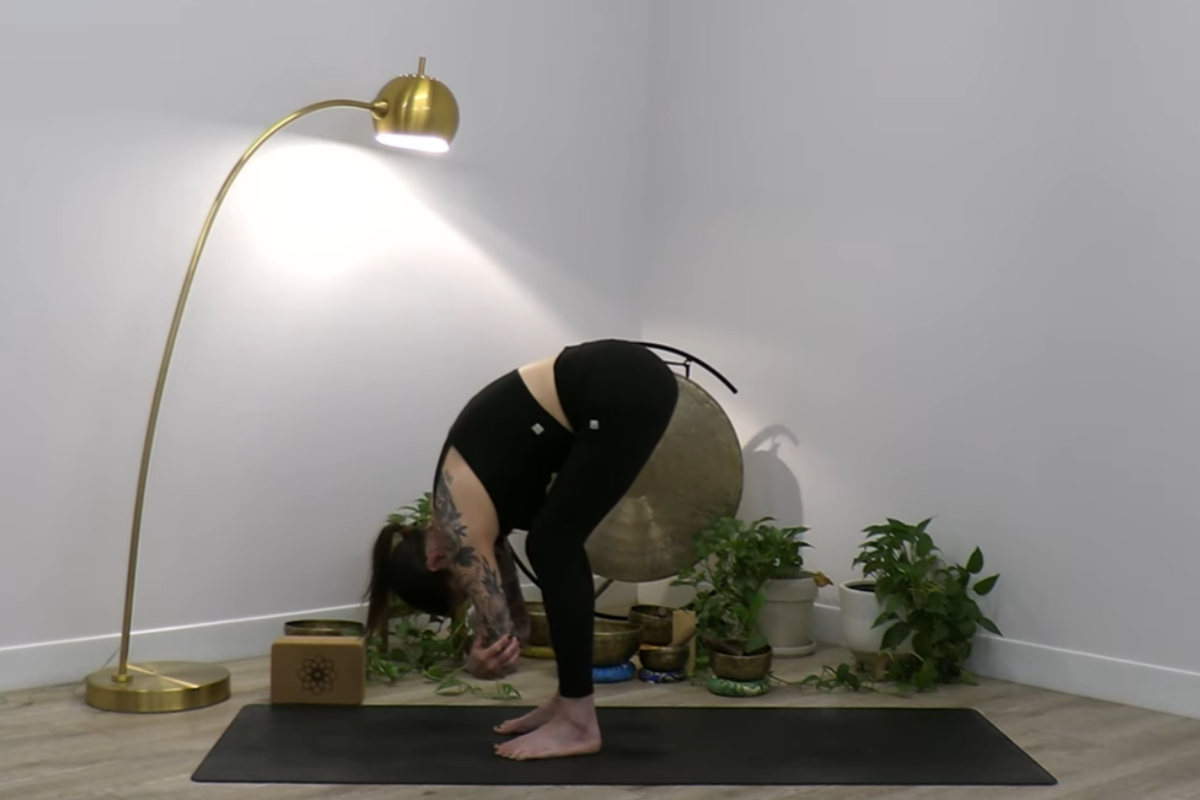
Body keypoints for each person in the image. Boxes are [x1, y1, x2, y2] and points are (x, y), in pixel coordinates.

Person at [364, 338, 679, 761]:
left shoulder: (456, 518)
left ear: (435, 560)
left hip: (617, 382)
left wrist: (478, 662)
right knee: (552, 540)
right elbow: (518, 626)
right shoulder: (476, 517)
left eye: (458, 590)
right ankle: (568, 703)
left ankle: (578, 722)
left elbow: (500, 639)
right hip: (620, 379)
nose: (470, 589)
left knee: (552, 543)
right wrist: (499, 635)